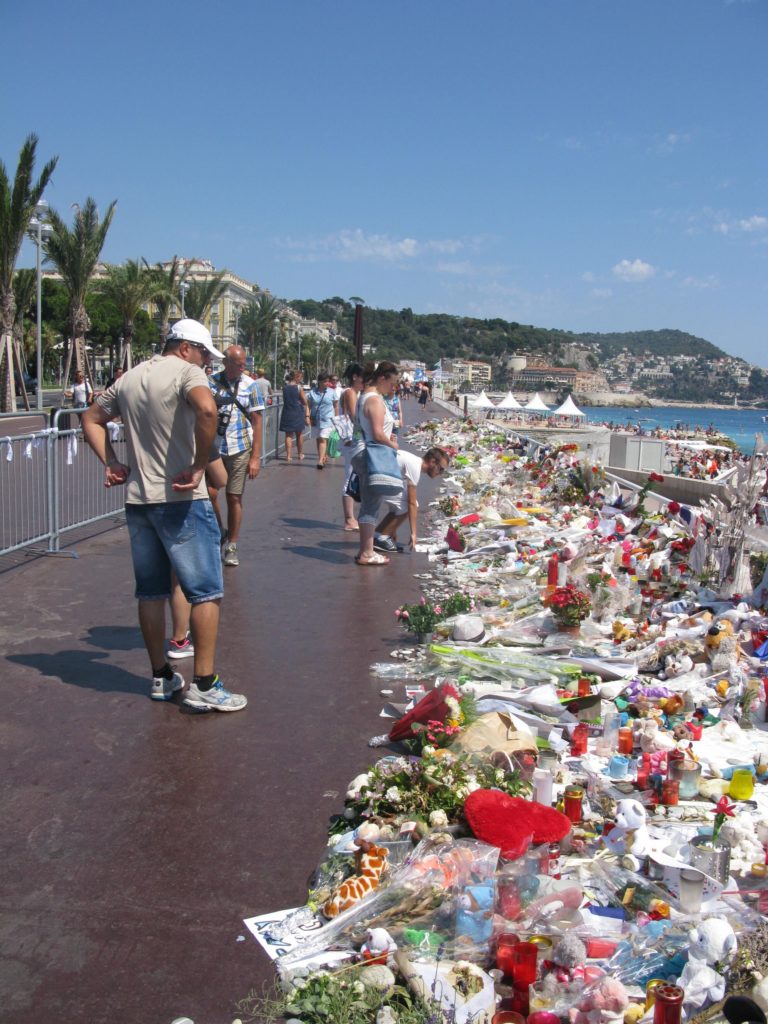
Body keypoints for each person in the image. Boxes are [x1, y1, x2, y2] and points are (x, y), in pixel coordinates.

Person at [81, 318, 247, 712]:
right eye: (206, 354)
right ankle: (204, 682)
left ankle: (160, 675)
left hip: (140, 501)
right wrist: (197, 464)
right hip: (181, 500)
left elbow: (91, 417)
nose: (208, 362)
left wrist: (113, 462)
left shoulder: (130, 378)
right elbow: (207, 410)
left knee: (151, 591)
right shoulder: (188, 372)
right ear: (187, 347)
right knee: (206, 590)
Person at [208, 345, 264, 567]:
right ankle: (221, 530)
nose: (243, 367)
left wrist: (255, 457)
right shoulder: (210, 383)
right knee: (210, 493)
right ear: (226, 362)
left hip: (240, 447)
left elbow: (258, 421)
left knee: (234, 497)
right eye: (238, 363)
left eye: (244, 364)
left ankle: (232, 543)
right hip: (215, 447)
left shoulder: (251, 386)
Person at [352, 360, 400, 566]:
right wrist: (393, 445)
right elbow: (378, 433)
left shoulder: (364, 396)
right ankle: (367, 552)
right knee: (371, 506)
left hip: (362, 452)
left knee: (369, 504)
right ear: (382, 378)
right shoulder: (375, 400)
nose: (393, 387)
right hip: (372, 454)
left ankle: (366, 550)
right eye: (391, 383)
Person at [373, 447, 451, 553]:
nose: (440, 473)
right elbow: (411, 503)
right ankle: (381, 538)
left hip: (377, 476)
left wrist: (393, 529)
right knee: (408, 505)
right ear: (433, 462)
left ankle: (379, 535)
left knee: (402, 504)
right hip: (376, 479)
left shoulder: (414, 461)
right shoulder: (415, 466)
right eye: (440, 469)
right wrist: (413, 534)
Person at [339, 362, 364, 531]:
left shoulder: (354, 392)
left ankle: (351, 517)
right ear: (355, 377)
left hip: (352, 438)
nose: (365, 381)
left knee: (353, 475)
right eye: (363, 378)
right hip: (351, 438)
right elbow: (355, 417)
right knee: (350, 476)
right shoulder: (350, 393)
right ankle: (349, 519)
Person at [307, 372, 338, 469]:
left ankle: (320, 460)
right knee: (319, 438)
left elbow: (336, 406)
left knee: (323, 438)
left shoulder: (331, 392)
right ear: (319, 382)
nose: (327, 383)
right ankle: (323, 455)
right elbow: (308, 405)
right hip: (316, 419)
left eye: (328, 381)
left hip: (328, 419)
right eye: (325, 381)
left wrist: (336, 419)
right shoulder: (312, 393)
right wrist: (307, 416)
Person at [279, 369, 309, 461]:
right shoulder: (299, 388)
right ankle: (300, 454)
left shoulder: (285, 387)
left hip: (287, 412)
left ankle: (288, 456)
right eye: (300, 377)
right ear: (297, 377)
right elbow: (304, 401)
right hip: (297, 412)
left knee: (288, 435)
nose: (301, 379)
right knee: (299, 434)